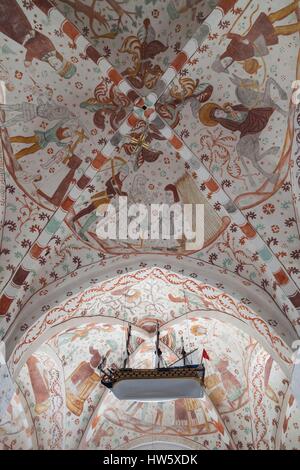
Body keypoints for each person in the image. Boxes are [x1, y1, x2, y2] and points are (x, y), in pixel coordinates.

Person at [213, 1, 300, 73]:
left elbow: (237, 37)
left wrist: (228, 35)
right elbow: (250, 52)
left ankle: (295, 5)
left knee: (271, 17)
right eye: (226, 64)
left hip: (253, 34)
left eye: (224, 61)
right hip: (258, 41)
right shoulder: (238, 58)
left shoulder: (229, 48)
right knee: (278, 30)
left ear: (222, 57)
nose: (227, 62)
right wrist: (245, 44)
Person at [0, 0, 76, 78]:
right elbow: (33, 48)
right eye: (57, 64)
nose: (53, 64)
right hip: (23, 30)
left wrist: (28, 61)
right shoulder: (50, 49)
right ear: (60, 59)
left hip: (19, 37)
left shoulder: (44, 58)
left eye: (54, 67)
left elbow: (32, 52)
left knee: (5, 25)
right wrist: (28, 61)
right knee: (11, 13)